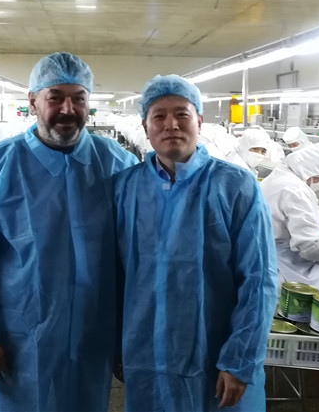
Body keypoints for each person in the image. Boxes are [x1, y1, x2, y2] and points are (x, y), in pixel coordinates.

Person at [0, 52, 138, 411]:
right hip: (21, 336)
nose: (68, 109)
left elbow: (141, 249)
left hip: (93, 332)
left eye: (78, 98)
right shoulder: (0, 164)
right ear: (33, 101)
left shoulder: (116, 162)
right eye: (55, 97)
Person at [114, 75, 277, 411]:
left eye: (182, 114)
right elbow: (113, 275)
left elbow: (259, 280)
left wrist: (240, 359)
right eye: (159, 116)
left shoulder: (236, 186)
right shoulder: (124, 188)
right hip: (146, 355)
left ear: (199, 121)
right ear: (145, 126)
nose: (171, 124)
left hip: (216, 358)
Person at [260, 143, 319, 292]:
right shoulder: (297, 190)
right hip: (282, 264)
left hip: (264, 254)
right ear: (311, 173)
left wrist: (316, 230)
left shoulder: (280, 176)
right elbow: (311, 248)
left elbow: (278, 220)